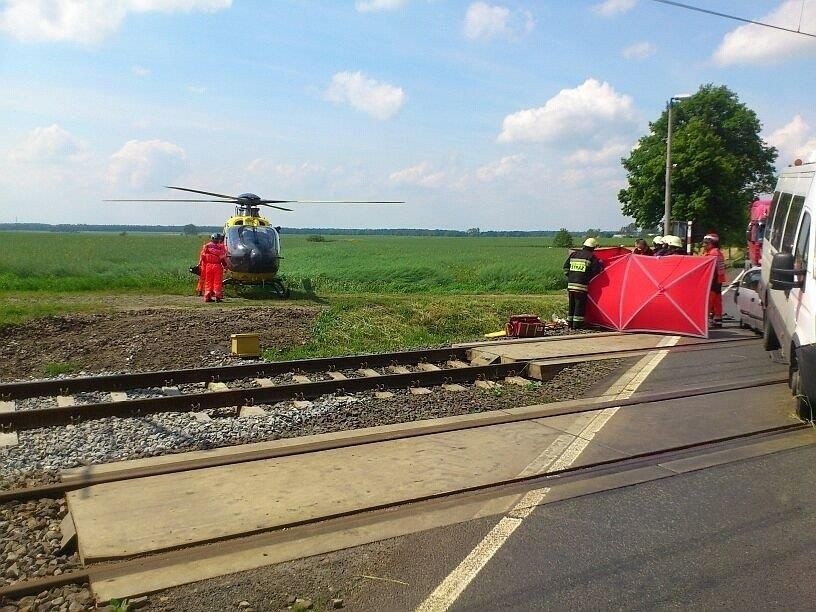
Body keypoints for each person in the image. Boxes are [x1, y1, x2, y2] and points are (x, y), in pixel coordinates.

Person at [563, 237, 603, 330]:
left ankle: (570, 323)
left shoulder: (574, 254)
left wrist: (570, 276)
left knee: (571, 304)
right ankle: (577, 325)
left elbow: (565, 268)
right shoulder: (591, 257)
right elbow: (596, 271)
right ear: (593, 248)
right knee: (579, 305)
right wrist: (600, 265)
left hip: (570, 285)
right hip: (581, 286)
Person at [702, 233, 727, 327]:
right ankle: (718, 318)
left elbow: (708, 269)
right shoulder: (718, 253)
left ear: (711, 244)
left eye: (705, 243)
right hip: (718, 280)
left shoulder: (712, 254)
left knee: (709, 300)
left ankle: (705, 319)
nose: (703, 245)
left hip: (712, 280)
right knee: (717, 300)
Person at [199, 233, 228, 302]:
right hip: (217, 266)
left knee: (208, 282)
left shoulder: (206, 246)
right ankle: (217, 297)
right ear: (218, 239)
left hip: (208, 266)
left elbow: (202, 256)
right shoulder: (220, 247)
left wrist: (200, 264)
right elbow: (222, 259)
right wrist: (225, 267)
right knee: (217, 282)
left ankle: (207, 297)